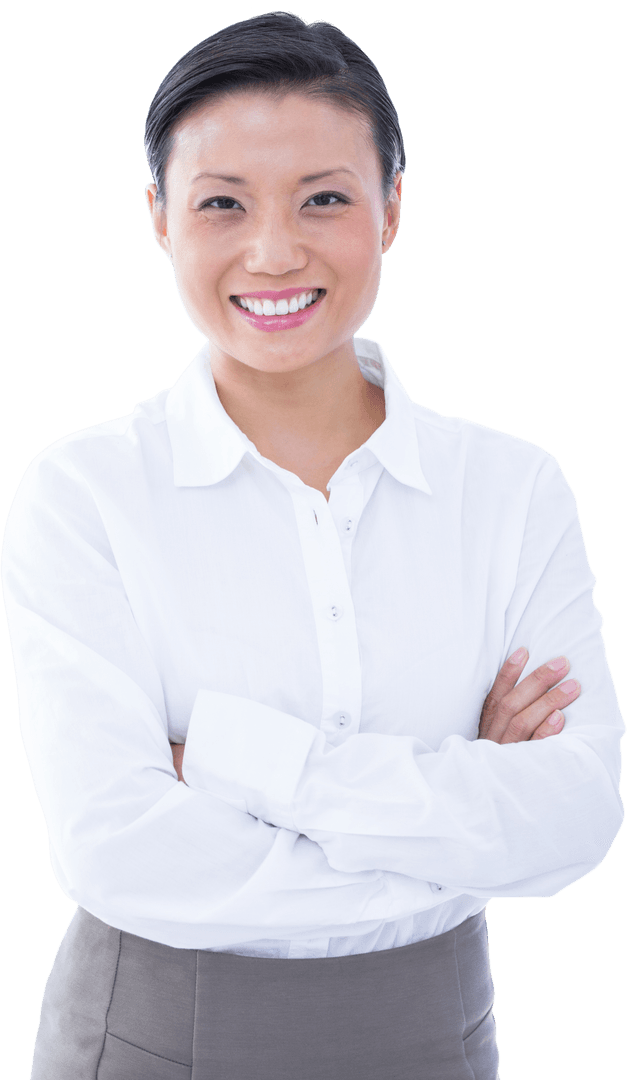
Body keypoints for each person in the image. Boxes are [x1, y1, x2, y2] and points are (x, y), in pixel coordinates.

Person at [2, 11, 624, 1080]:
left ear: (391, 210)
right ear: (160, 219)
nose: (274, 250)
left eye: (325, 198)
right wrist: (459, 805)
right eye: (222, 204)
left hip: (441, 1027)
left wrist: (238, 763)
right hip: (155, 1034)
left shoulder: (510, 488)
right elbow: (116, 848)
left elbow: (570, 821)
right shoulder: (84, 493)